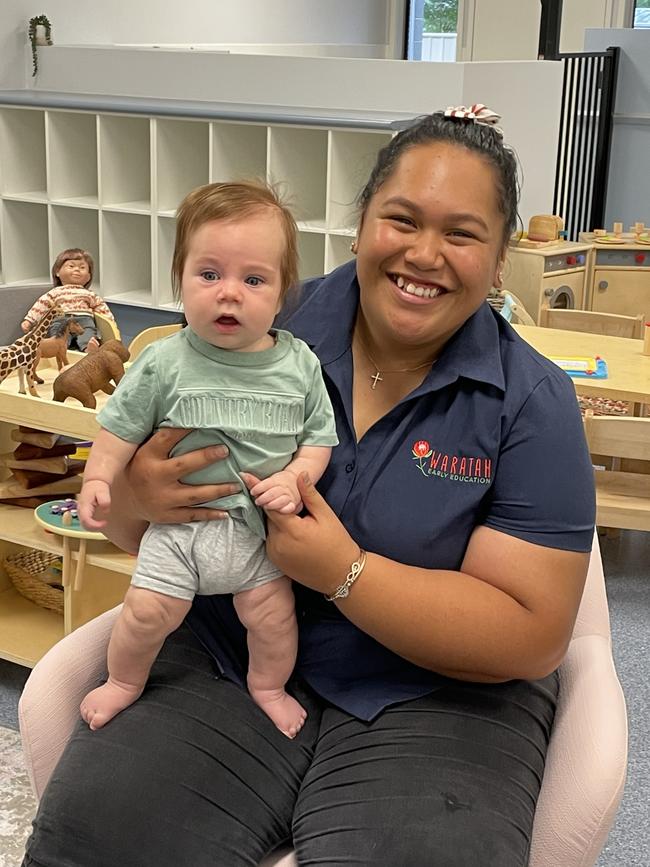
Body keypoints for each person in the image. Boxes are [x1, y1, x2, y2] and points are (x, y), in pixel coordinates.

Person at [22, 106, 596, 867]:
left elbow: (531, 633)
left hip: (441, 696)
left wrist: (342, 571)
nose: (425, 254)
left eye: (461, 234)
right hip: (231, 654)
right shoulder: (253, 316)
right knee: (102, 830)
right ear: (362, 224)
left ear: (498, 263)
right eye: (402, 219)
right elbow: (131, 524)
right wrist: (138, 496)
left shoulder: (531, 402)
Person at [77, 181, 338, 738]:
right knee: (146, 614)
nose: (229, 294)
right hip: (176, 532)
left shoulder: (299, 365)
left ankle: (266, 686)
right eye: (209, 274)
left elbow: (319, 438)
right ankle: (124, 682)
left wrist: (295, 478)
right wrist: (98, 476)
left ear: (282, 290)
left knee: (272, 620)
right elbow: (118, 429)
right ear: (181, 278)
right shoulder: (164, 362)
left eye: (253, 279)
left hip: (255, 533)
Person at [20, 247, 116, 352]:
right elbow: (41, 305)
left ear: (88, 277)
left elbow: (102, 308)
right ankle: (61, 348)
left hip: (84, 319)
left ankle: (88, 348)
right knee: (57, 334)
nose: (77, 269)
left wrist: (111, 324)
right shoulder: (55, 292)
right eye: (71, 266)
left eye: (82, 267)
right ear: (57, 272)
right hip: (61, 319)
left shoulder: (89, 294)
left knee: (89, 332)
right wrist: (29, 320)